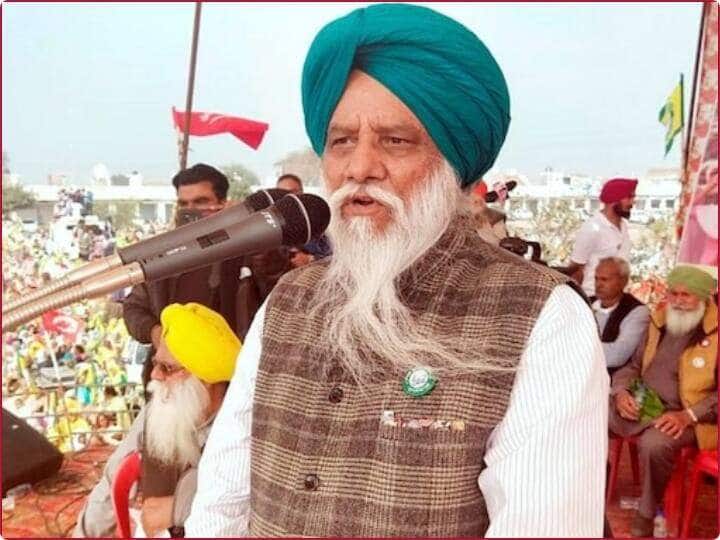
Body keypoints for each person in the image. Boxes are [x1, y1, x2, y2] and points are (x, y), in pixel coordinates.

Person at [186, 4, 607, 537]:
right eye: (341, 141)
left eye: (395, 140)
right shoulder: (289, 299)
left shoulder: (541, 316)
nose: (359, 167)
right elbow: (223, 501)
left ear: (452, 164)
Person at [73, 303, 240, 538]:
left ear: (205, 379)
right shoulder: (160, 408)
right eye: (155, 363)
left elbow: (255, 496)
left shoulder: (242, 425)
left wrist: (183, 507)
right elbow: (113, 480)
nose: (155, 375)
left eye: (167, 368)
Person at [609, 265, 717, 537]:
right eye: (673, 294)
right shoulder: (658, 323)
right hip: (646, 402)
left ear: (704, 298)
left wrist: (687, 416)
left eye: (686, 295)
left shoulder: (716, 334)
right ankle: (590, 487)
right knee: (594, 413)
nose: (677, 301)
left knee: (655, 444)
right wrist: (621, 392)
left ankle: (646, 513)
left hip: (692, 416)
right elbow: (632, 366)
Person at [122, 164, 245, 387]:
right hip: (169, 378)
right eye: (183, 204)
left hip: (227, 382)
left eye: (200, 202)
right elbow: (133, 307)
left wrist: (241, 224)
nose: (190, 211)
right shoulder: (161, 253)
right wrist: (157, 334)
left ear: (222, 204)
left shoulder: (246, 249)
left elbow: (271, 279)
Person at [569, 177, 637, 296]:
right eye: (629, 197)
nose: (632, 203)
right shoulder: (592, 228)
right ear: (614, 199)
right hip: (593, 297)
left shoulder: (624, 226)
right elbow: (575, 269)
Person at [591, 257, 650, 373]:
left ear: (623, 281)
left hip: (610, 377)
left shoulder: (637, 311)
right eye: (596, 279)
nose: (598, 284)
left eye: (604, 279)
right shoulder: (585, 302)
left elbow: (618, 355)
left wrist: (574, 348)